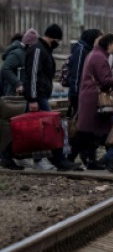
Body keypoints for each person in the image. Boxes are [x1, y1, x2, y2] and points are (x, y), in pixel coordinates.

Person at [22, 25, 79, 170]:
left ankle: (10, 155)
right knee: (51, 127)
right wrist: (33, 98)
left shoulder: (43, 50)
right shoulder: (37, 50)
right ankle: (57, 160)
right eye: (58, 40)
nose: (58, 43)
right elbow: (32, 75)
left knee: (33, 127)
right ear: (53, 37)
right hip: (38, 95)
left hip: (41, 94)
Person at [70, 33, 113, 170]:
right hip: (94, 99)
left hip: (90, 97)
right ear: (109, 44)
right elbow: (105, 81)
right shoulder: (100, 57)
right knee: (86, 132)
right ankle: (69, 159)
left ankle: (90, 161)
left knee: (91, 132)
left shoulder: (94, 54)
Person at [65, 28, 101, 117]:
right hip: (78, 94)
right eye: (99, 39)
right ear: (92, 38)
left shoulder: (89, 50)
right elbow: (77, 73)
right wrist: (78, 94)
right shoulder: (81, 51)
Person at [1, 29, 37, 96]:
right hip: (14, 94)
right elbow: (5, 69)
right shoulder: (18, 53)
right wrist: (17, 84)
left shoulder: (26, 53)